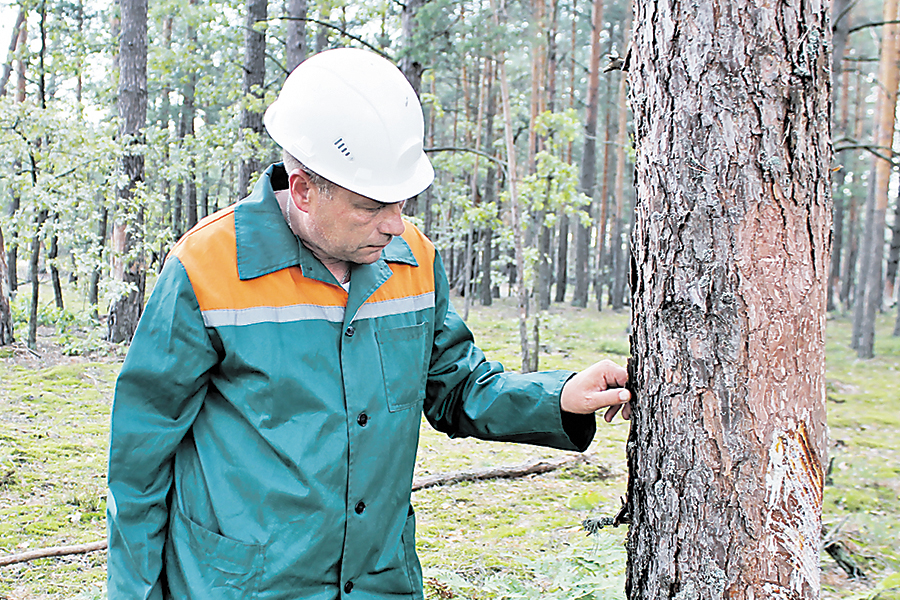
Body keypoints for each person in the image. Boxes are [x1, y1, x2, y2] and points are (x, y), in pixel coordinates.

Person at [106, 48, 631, 600]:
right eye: (370, 206)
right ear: (304, 188)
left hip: (379, 581)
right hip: (242, 584)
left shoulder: (415, 260)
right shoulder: (205, 269)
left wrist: (560, 396)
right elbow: (140, 460)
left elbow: (457, 388)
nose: (394, 223)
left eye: (401, 201)